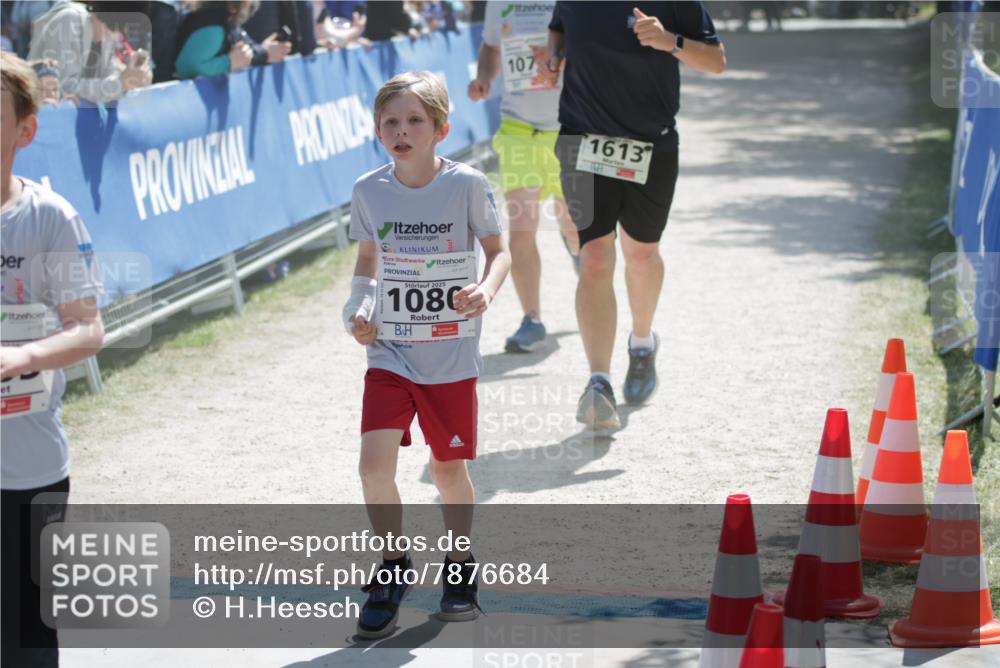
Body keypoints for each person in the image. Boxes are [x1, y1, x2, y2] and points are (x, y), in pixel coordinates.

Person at [343, 71, 510, 638]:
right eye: (391, 121)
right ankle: (392, 569)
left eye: (415, 120)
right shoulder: (369, 189)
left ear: (440, 128)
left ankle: (460, 565)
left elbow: (498, 251)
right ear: (376, 129)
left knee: (447, 469)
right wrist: (358, 311)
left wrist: (485, 291)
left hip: (450, 357)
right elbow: (367, 263)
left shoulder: (466, 185)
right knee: (372, 469)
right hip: (390, 352)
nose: (402, 130)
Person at [541, 2, 725, 429]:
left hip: (651, 146)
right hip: (581, 141)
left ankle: (642, 344)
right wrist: (554, 56)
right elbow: (559, 29)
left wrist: (669, 41)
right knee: (595, 257)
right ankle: (598, 382)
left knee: (641, 256)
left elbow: (716, 61)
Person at [0, 51, 105, 668]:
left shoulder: (48, 218)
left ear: (25, 130)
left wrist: (21, 356)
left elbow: (88, 330)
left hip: (28, 469)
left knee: (26, 645)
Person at [469, 0, 579, 354]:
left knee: (577, 224)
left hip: (571, 125)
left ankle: (576, 247)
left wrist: (557, 58)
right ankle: (531, 319)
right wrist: (485, 78)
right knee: (521, 228)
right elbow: (491, 46)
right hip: (518, 127)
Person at [27, 0, 152, 105]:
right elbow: (63, 89)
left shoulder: (107, 37)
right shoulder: (68, 21)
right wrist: (121, 83)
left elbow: (108, 80)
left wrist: (135, 76)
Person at [174, 0, 291, 79]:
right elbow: (188, 67)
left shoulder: (225, 20)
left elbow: (245, 47)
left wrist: (264, 52)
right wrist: (229, 62)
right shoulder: (213, 27)